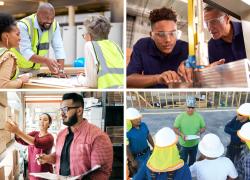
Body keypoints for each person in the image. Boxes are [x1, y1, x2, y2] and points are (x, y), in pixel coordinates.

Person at [37, 93, 113, 179]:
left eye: (65, 109)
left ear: (79, 111)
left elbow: (101, 173)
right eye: (61, 110)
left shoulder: (98, 136)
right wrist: (48, 158)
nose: (62, 114)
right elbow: (61, 157)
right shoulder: (61, 135)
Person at [127, 7, 192, 88]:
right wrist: (158, 78)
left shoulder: (186, 48)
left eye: (172, 33)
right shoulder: (142, 46)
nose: (168, 40)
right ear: (152, 35)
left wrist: (189, 64)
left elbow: (198, 67)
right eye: (161, 34)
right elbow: (128, 80)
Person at [11, 3, 66, 76]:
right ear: (38, 15)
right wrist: (46, 61)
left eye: (52, 18)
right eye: (46, 18)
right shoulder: (23, 25)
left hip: (35, 70)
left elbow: (59, 48)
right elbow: (26, 51)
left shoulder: (54, 25)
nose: (49, 21)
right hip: (17, 69)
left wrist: (61, 71)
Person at [78, 15, 123, 89]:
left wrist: (79, 79)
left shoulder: (90, 45)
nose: (84, 38)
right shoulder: (116, 45)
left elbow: (92, 83)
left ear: (89, 36)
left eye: (84, 35)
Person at [5, 113, 54, 180]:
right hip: (32, 171)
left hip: (44, 173)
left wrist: (17, 131)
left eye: (45, 120)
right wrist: (16, 130)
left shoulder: (50, 138)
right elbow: (22, 140)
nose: (42, 121)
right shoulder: (35, 133)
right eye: (40, 119)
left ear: (49, 124)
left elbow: (36, 142)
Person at [173, 96, 206, 166]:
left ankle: (190, 173)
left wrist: (199, 132)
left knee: (192, 161)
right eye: (189, 107)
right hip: (183, 145)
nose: (190, 109)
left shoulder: (199, 117)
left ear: (195, 108)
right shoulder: (180, 117)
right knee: (182, 162)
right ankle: (183, 174)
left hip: (195, 144)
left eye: (192, 107)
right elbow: (175, 128)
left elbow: (203, 127)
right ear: (185, 107)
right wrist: (181, 134)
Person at [0, 13, 29, 88]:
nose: (20, 38)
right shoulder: (7, 56)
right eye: (17, 34)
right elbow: (3, 86)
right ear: (6, 36)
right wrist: (21, 80)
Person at [126, 108, 154, 179]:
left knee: (149, 174)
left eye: (139, 118)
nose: (139, 120)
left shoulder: (143, 125)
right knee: (140, 176)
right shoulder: (127, 132)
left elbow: (148, 136)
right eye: (136, 119)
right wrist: (132, 160)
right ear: (129, 121)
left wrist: (155, 147)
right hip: (137, 158)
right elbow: (127, 147)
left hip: (147, 154)